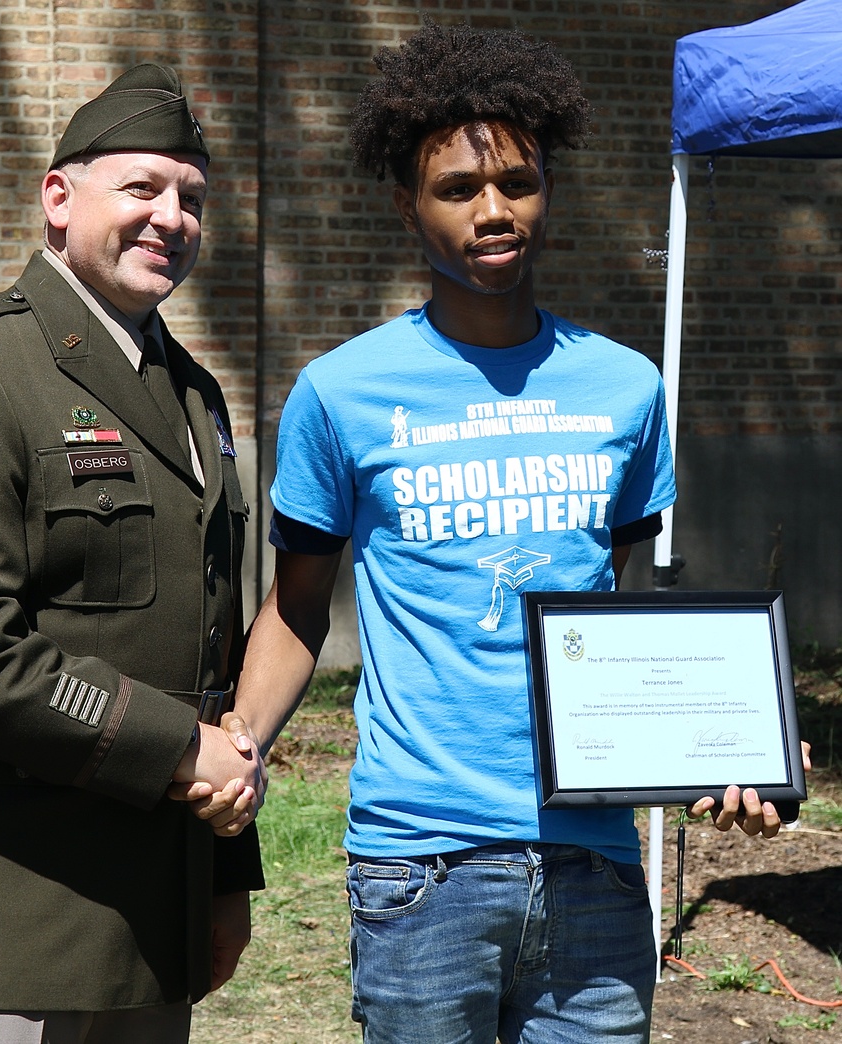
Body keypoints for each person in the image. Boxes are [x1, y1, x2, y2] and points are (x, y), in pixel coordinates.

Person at [219, 23, 802, 1043]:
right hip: (419, 864)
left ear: (546, 191)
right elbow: (295, 608)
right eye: (457, 189)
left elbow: (617, 614)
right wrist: (238, 749)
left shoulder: (625, 388)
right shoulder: (341, 394)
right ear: (409, 205)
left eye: (518, 183)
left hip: (593, 864)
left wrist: (736, 742)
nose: (494, 211)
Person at [0, 62, 266, 1044]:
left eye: (193, 199)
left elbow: (211, 661)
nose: (172, 217)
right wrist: (174, 753)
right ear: (57, 198)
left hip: (146, 922)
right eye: (143, 188)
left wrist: (222, 879)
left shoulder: (194, 397)